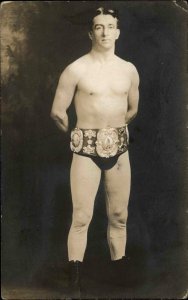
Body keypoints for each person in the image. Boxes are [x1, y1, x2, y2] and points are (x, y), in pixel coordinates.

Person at [51, 6, 139, 296]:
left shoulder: (129, 69)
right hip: (85, 150)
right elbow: (58, 112)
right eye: (99, 27)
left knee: (119, 215)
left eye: (109, 26)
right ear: (91, 32)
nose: (104, 32)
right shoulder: (76, 68)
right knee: (81, 216)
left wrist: (112, 134)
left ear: (117, 31)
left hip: (119, 151)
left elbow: (132, 109)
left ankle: (119, 273)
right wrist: (81, 137)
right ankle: (75, 279)